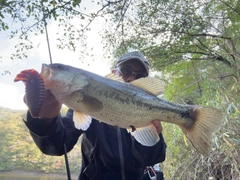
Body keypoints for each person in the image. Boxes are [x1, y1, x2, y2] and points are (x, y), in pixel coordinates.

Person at [23, 51, 166, 180]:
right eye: (126, 70)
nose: (130, 78)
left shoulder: (148, 113)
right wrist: (46, 119)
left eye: (140, 76)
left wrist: (154, 136)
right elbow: (57, 145)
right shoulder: (82, 103)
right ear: (114, 72)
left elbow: (152, 158)